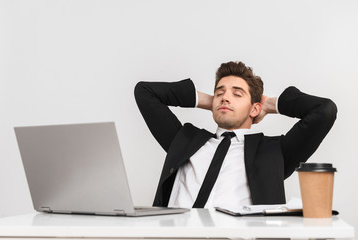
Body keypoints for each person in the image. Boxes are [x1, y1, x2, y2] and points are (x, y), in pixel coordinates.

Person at [134, 61, 337, 209]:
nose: (225, 98)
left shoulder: (273, 153)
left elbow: (324, 110)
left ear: (254, 109)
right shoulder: (184, 141)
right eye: (220, 93)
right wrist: (209, 101)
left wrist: (268, 105)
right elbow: (144, 92)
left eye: (237, 94)